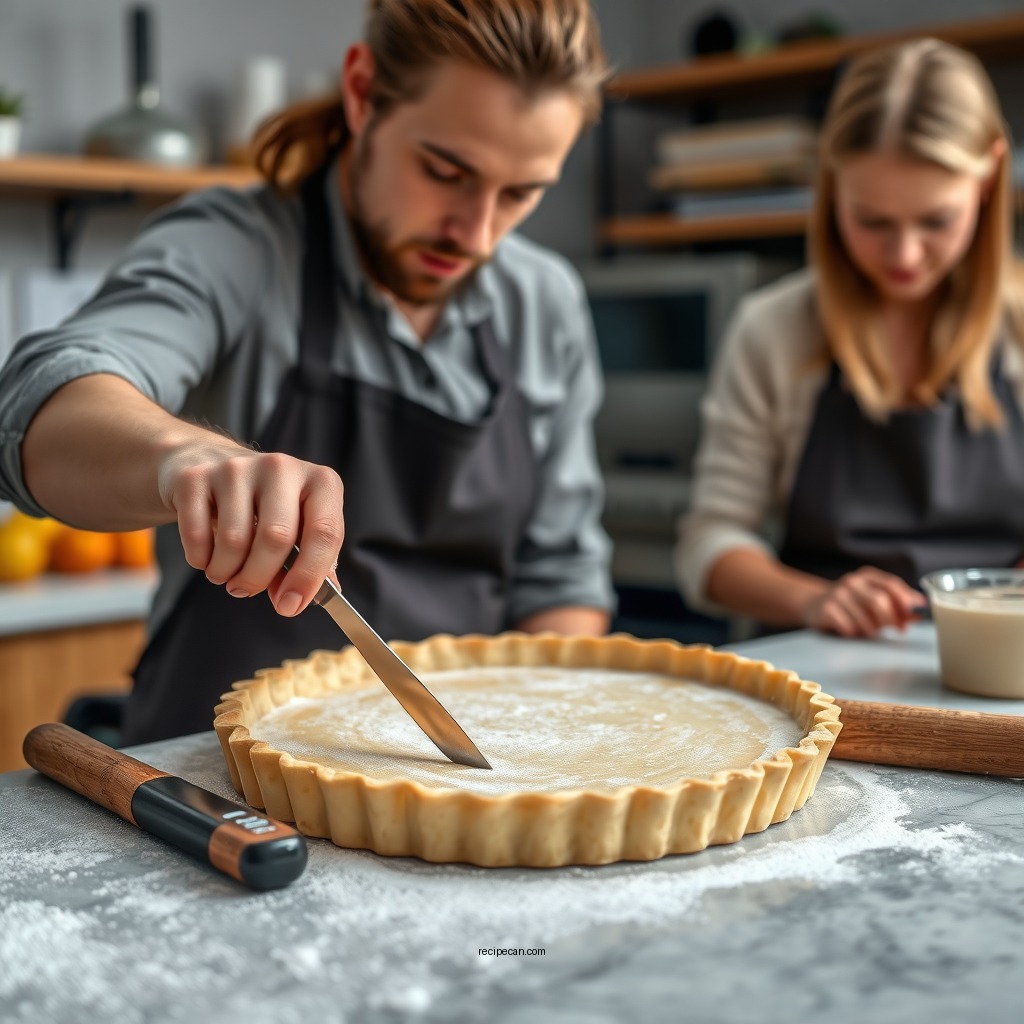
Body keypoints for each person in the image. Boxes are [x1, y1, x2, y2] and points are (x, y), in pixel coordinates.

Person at [0, 0, 615, 743]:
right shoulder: (233, 247)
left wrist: (539, 750)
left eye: (521, 193)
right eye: (445, 170)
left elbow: (561, 580)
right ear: (362, 92)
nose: (476, 232)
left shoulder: (544, 302)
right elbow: (43, 397)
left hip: (448, 777)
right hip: (212, 774)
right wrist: (190, 459)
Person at [676, 37, 1024, 640]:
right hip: (816, 674)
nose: (905, 255)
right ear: (830, 184)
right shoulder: (775, 330)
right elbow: (708, 546)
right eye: (873, 221)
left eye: (936, 220)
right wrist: (815, 600)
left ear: (991, 175)